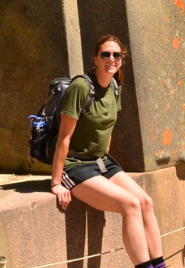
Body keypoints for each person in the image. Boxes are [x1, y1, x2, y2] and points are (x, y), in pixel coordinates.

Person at [50, 35, 167, 268]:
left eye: (116, 55)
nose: (111, 59)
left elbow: (108, 127)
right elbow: (64, 137)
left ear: (121, 60)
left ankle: (160, 266)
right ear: (95, 58)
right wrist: (56, 183)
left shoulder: (115, 86)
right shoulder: (81, 86)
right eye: (105, 54)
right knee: (130, 204)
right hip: (75, 165)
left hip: (100, 162)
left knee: (145, 201)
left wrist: (105, 167)